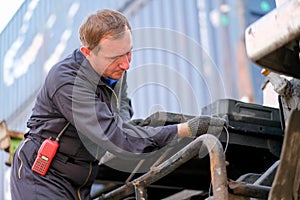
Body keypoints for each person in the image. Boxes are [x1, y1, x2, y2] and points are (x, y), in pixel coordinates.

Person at [10, 9, 226, 200]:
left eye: (129, 52)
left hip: (80, 182)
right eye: (115, 57)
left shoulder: (116, 70)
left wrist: (132, 129)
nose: (126, 64)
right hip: (42, 178)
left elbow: (121, 113)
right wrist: (184, 129)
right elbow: (114, 136)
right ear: (88, 53)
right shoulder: (67, 81)